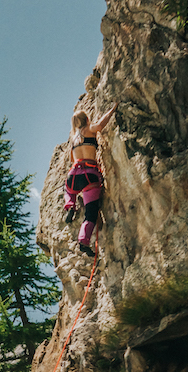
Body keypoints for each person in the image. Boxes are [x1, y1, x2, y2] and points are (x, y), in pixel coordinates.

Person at [65, 103, 117, 257]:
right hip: (90, 176)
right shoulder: (89, 129)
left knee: (68, 189)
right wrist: (112, 110)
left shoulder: (74, 138)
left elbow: (70, 158)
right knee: (91, 213)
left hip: (73, 175)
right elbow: (100, 125)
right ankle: (83, 241)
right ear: (86, 119)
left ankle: (70, 206)